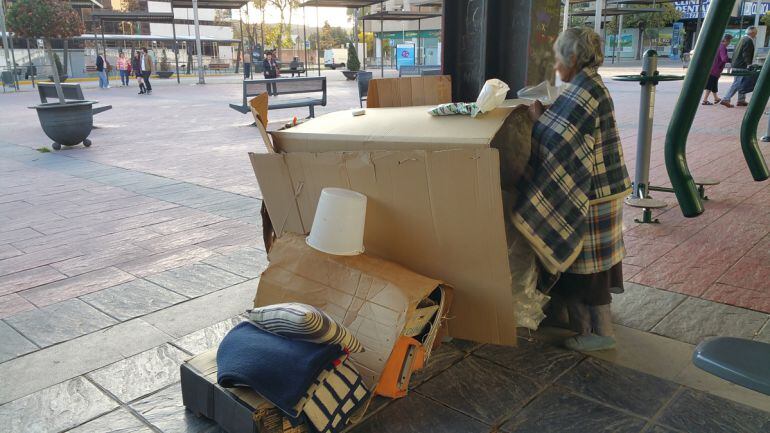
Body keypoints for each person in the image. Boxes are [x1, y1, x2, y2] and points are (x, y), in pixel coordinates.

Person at [513, 28, 631, 352]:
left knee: (589, 270)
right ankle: (583, 325)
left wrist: (538, 119)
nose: (555, 66)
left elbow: (561, 140)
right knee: (586, 268)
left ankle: (602, 333)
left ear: (574, 59)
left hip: (595, 194)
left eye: (557, 59)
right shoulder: (586, 84)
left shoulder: (585, 90)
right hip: (603, 188)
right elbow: (571, 130)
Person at [721, 26, 757, 108]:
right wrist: (749, 64)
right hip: (741, 65)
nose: (756, 35)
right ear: (753, 33)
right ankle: (726, 99)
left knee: (741, 81)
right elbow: (746, 53)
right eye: (756, 33)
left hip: (736, 64)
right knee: (738, 82)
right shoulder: (748, 40)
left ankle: (741, 100)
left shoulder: (742, 39)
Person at [703, 34, 733, 105]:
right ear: (726, 40)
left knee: (714, 83)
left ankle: (716, 98)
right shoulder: (723, 47)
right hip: (715, 69)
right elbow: (724, 58)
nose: (729, 43)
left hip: (713, 68)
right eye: (729, 41)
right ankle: (705, 100)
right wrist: (730, 59)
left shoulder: (718, 46)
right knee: (710, 84)